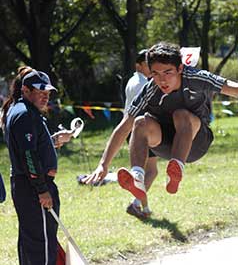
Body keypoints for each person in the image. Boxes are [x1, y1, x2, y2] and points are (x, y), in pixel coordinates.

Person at [83, 41, 238, 204]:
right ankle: (137, 177)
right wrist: (103, 164)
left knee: (181, 114)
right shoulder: (150, 89)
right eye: (155, 73)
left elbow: (231, 87)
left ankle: (176, 168)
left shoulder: (195, 77)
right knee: (140, 122)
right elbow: (124, 126)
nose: (162, 80)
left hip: (196, 143)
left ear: (180, 68)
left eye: (167, 72)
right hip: (164, 144)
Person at [0, 67, 73, 265]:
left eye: (48, 91)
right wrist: (42, 189)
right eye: (40, 91)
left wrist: (53, 141)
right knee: (40, 243)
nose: (45, 96)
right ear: (26, 90)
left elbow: (32, 147)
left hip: (29, 184)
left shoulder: (25, 112)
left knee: (35, 241)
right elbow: (29, 157)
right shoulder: (24, 114)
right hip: (33, 186)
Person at [124, 49, 157, 218]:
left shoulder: (132, 81)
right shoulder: (142, 84)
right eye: (147, 64)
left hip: (132, 129)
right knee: (151, 171)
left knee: (143, 171)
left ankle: (143, 207)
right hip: (140, 129)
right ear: (139, 65)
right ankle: (136, 204)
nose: (150, 67)